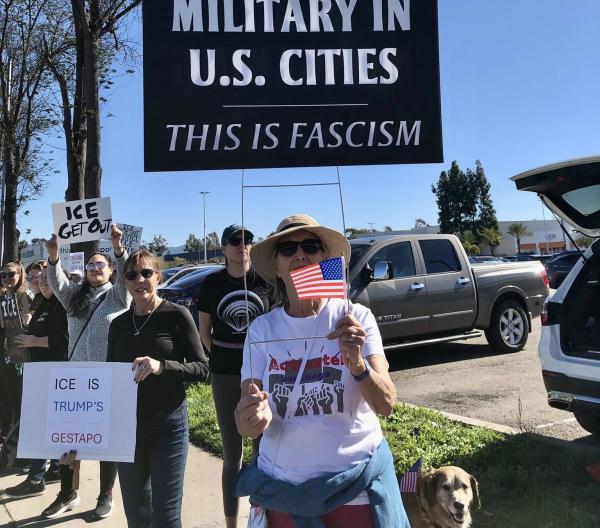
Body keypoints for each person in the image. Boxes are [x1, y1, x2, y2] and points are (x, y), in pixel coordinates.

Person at [234, 214, 409, 528]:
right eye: (288, 248)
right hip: (284, 494)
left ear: (325, 259)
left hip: (355, 492)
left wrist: (357, 363)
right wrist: (250, 417)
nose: (300, 254)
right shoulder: (261, 330)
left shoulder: (356, 318)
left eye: (311, 246)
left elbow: (386, 404)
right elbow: (246, 418)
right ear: (277, 266)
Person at [107, 249, 210, 528]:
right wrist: (82, 441)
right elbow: (107, 380)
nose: (139, 280)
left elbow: (203, 369)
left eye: (146, 273)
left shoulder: (176, 315)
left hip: (168, 426)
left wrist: (162, 366)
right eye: (132, 275)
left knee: (166, 517)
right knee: (137, 515)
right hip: (128, 430)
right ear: (124, 281)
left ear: (158, 277)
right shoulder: (118, 325)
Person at [42, 226, 128, 520]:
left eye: (100, 265)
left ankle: (105, 494)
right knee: (69, 439)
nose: (94, 269)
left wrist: (118, 248)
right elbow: (56, 281)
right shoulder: (73, 296)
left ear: (111, 269)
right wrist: (53, 255)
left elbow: (127, 277)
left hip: (106, 378)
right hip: (76, 378)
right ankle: (67, 492)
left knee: (105, 440)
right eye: (90, 266)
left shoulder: (118, 296)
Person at [198, 224, 273, 528]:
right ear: (223, 248)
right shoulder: (212, 283)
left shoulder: (265, 280)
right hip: (226, 373)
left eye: (247, 240)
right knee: (232, 453)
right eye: (234, 241)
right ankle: (231, 522)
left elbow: (277, 324)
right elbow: (205, 332)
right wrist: (226, 356)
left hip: (263, 374)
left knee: (263, 449)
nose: (242, 245)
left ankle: (263, 515)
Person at [4, 261, 68, 498]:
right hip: (39, 371)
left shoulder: (62, 304)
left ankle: (36, 479)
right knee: (44, 425)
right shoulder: (42, 302)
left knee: (41, 425)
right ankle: (51, 470)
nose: (39, 282)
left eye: (44, 277)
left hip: (53, 373)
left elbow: (65, 339)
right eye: (35, 278)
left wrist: (34, 341)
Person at [0, 261, 32, 447]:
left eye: (10, 274)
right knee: (8, 397)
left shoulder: (27, 296)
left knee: (21, 399)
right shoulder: (4, 298)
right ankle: (9, 438)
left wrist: (29, 320)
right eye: (3, 275)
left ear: (21, 275)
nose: (6, 278)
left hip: (24, 357)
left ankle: (21, 440)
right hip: (6, 356)